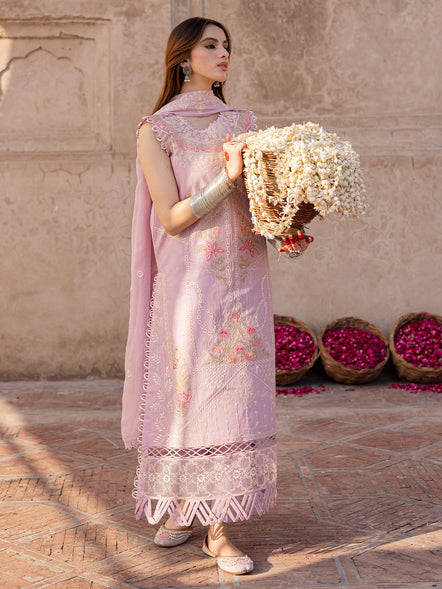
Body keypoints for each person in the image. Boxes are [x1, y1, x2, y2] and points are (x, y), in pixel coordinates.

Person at [121, 17, 312, 575]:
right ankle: (185, 506)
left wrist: (290, 223)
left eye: (226, 46)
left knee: (232, 394)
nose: (223, 53)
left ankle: (219, 529)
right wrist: (226, 178)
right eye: (211, 45)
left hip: (243, 286)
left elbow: (257, 205)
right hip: (188, 288)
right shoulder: (156, 130)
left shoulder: (243, 123)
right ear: (184, 57)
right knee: (188, 397)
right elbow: (171, 217)